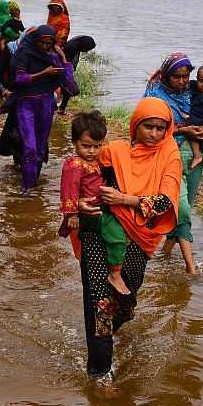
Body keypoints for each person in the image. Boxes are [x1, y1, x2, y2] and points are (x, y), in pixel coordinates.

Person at [74, 97, 181, 384]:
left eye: (160, 128)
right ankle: (100, 373)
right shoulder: (116, 151)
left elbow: (165, 202)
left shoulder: (170, 155)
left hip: (140, 238)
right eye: (148, 126)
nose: (154, 133)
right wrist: (79, 203)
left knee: (125, 299)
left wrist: (126, 199)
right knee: (100, 303)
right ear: (136, 125)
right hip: (100, 230)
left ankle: (106, 333)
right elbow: (81, 170)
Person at [144, 53, 203, 274]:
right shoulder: (155, 97)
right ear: (166, 76)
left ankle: (166, 253)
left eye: (185, 76)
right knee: (182, 209)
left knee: (184, 206)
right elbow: (149, 129)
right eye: (176, 77)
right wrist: (182, 130)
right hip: (166, 154)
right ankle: (191, 268)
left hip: (193, 155)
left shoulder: (194, 92)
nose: (182, 82)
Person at [59, 110, 130, 295]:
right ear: (74, 142)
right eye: (86, 146)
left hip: (99, 207)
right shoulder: (74, 165)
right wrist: (72, 214)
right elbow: (69, 189)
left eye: (97, 146)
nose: (91, 152)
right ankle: (115, 274)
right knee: (116, 234)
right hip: (90, 211)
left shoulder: (97, 160)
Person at [4, 25, 76, 192]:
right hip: (26, 104)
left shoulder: (53, 57)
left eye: (48, 43)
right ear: (36, 41)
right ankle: (26, 188)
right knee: (30, 147)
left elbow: (69, 81)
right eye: (42, 42)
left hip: (46, 105)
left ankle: (32, 183)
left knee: (41, 147)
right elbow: (19, 78)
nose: (45, 46)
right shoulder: (24, 54)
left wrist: (63, 56)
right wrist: (43, 73)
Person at [0, 0, 25, 98]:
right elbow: (13, 32)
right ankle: (6, 91)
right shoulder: (9, 19)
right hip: (9, 46)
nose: (7, 10)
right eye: (6, 8)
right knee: (7, 68)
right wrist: (18, 35)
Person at [57, 36, 96, 114]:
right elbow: (66, 62)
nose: (87, 51)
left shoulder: (75, 46)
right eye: (88, 49)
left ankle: (61, 108)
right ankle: (59, 108)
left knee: (69, 91)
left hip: (64, 72)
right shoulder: (71, 47)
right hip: (62, 72)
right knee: (72, 90)